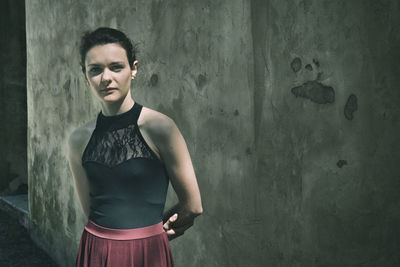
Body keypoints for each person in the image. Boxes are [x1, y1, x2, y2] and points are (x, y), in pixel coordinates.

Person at [67, 27, 203, 267]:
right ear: (85, 76)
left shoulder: (161, 127)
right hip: (96, 252)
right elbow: (90, 212)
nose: (106, 78)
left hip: (147, 253)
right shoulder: (78, 139)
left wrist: (152, 235)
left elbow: (193, 206)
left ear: (134, 69)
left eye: (116, 67)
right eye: (95, 70)